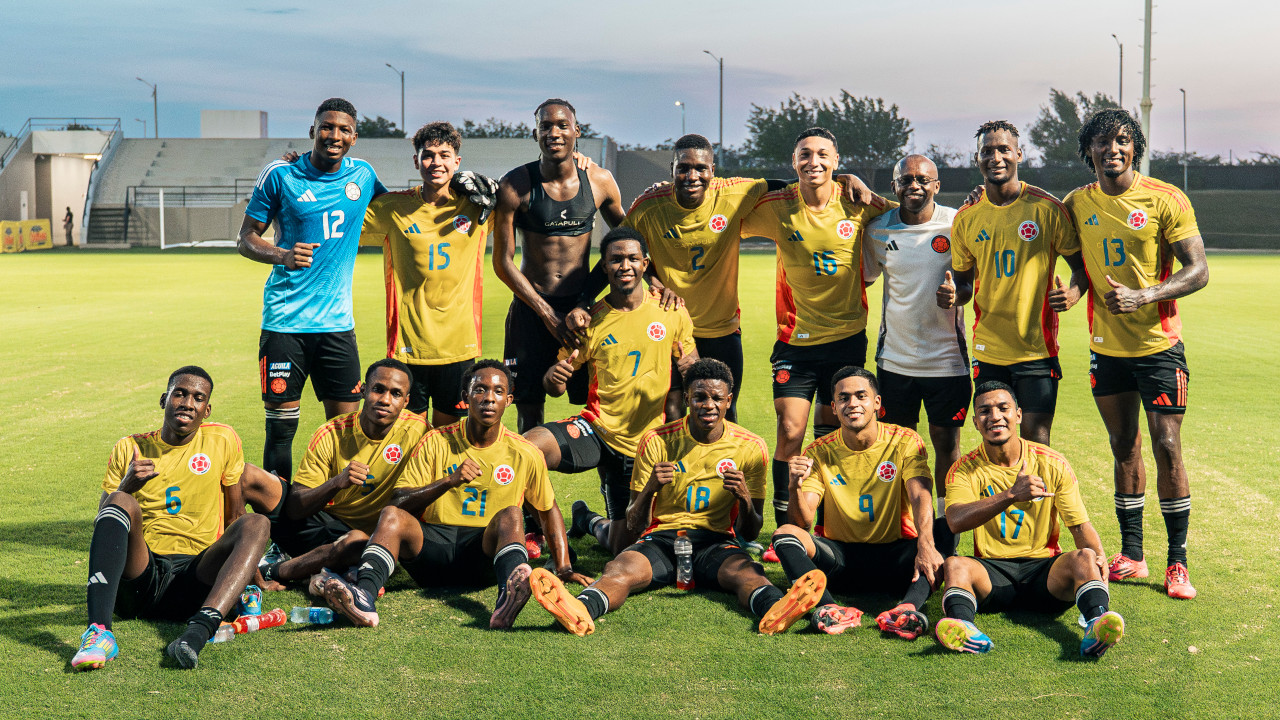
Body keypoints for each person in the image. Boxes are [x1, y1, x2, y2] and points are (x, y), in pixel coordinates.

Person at [527, 358, 828, 636]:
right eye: (699, 397)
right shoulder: (657, 439)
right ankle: (579, 608)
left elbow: (749, 532)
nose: (708, 405)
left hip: (715, 541)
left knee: (748, 574)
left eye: (717, 399)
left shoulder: (750, 447)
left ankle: (776, 608)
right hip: (661, 538)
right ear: (686, 399)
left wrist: (745, 499)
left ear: (729, 401)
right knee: (619, 569)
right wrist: (649, 490)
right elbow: (634, 524)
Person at [620, 134, 877, 423]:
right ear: (672, 169)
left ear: (712, 170)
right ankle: (672, 467)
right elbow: (621, 247)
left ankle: (724, 467)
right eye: (683, 168)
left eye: (700, 168)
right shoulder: (650, 204)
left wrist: (843, 178)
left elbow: (792, 184)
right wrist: (652, 278)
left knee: (724, 412)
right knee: (670, 410)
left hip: (722, 331)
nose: (692, 176)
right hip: (667, 326)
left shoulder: (734, 193)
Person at [320, 360, 589, 629]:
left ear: (508, 400)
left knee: (512, 514)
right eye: (480, 390)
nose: (488, 399)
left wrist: (564, 567)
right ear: (465, 397)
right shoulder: (436, 440)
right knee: (392, 515)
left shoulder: (525, 452)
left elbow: (547, 509)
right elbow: (398, 501)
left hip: (483, 556)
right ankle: (364, 596)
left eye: (497, 392)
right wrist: (449, 481)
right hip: (431, 551)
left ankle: (507, 599)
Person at [1065, 108, 1209, 599]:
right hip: (1107, 350)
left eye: (1122, 141)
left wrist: (1145, 296)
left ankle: (1177, 563)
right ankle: (1133, 553)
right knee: (1123, 445)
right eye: (1102, 143)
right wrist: (1076, 288)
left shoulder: (1165, 198)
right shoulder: (1076, 203)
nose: (1113, 150)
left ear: (1136, 147)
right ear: (1088, 152)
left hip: (1159, 347)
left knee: (1167, 445)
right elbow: (1073, 255)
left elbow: (1199, 270)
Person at [740, 127, 892, 532]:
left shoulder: (857, 202)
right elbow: (727, 215)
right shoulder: (778, 206)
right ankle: (782, 526)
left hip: (845, 341)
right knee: (790, 431)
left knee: (831, 435)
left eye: (823, 154)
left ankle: (824, 522)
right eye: (805, 154)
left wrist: (856, 182)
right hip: (796, 341)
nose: (814, 162)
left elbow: (906, 211)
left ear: (836, 161)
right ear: (794, 162)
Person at [71, 367, 269, 671]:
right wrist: (127, 487)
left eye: (198, 397)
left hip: (197, 577)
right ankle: (99, 632)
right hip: (142, 577)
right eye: (180, 393)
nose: (188, 402)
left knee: (258, 523)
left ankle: (198, 631)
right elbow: (105, 522)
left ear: (207, 410)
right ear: (164, 399)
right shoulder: (130, 447)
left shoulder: (223, 440)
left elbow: (235, 517)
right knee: (120, 499)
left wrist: (248, 576)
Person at [237, 97, 388, 479]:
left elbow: (401, 210)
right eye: (326, 126)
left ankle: (337, 519)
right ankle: (278, 529)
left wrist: (458, 196)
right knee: (281, 430)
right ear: (312, 131)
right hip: (285, 324)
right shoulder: (280, 175)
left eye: (343, 130)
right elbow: (246, 239)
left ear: (354, 138)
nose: (333, 135)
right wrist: (282, 255)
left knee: (346, 434)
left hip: (337, 326)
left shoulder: (364, 175)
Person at [525, 227, 697, 555]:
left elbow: (694, 365)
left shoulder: (671, 310)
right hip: (597, 429)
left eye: (633, 258)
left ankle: (588, 520)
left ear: (646, 264)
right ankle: (543, 533)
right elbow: (554, 385)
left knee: (623, 548)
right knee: (528, 449)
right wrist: (555, 377)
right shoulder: (591, 320)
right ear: (604, 268)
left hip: (645, 444)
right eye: (616, 260)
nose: (625, 266)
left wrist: (691, 370)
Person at [935, 381, 1125, 658]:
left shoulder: (1051, 462)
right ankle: (964, 627)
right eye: (985, 411)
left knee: (1084, 556)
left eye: (1003, 408)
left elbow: (1079, 524)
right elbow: (955, 520)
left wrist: (1097, 565)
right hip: (992, 575)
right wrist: (1011, 494)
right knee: (955, 565)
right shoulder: (963, 469)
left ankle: (1097, 622)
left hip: (1045, 574)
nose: (995, 417)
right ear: (975, 422)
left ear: (1019, 415)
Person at [937, 120, 1086, 446]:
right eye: (987, 151)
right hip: (989, 351)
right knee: (996, 441)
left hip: (1037, 350)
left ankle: (1036, 499)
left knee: (1036, 440)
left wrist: (1073, 294)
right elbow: (964, 286)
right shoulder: (966, 217)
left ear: (1019, 153)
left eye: (1004, 149)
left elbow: (1081, 269)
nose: (996, 157)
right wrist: (953, 295)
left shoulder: (1047, 208)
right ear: (977, 159)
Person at [771, 367, 942, 638]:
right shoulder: (819, 450)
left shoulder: (905, 440)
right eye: (844, 398)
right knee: (785, 534)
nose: (852, 404)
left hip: (897, 560)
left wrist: (925, 543)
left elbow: (920, 494)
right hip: (840, 562)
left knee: (942, 531)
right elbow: (802, 523)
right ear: (834, 407)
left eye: (861, 396)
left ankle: (907, 609)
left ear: (876, 403)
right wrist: (794, 486)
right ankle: (829, 609)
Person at [492, 99, 627, 433]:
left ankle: (609, 485)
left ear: (576, 131)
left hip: (582, 313)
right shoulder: (514, 186)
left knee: (595, 411)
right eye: (545, 126)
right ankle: (528, 485)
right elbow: (502, 262)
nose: (554, 132)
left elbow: (628, 244)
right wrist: (545, 313)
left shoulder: (600, 181)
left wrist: (585, 301)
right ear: (535, 133)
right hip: (531, 311)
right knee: (528, 409)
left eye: (562, 125)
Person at [864, 155, 970, 556]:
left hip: (948, 362)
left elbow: (967, 284)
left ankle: (946, 532)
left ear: (937, 186)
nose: (915, 185)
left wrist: (955, 295)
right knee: (898, 448)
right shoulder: (878, 231)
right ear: (895, 186)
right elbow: (867, 276)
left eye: (923, 179)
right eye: (906, 179)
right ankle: (901, 529)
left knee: (947, 445)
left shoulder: (957, 223)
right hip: (895, 362)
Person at [242, 359, 429, 588]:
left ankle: (277, 570)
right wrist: (337, 482)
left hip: (366, 539)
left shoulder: (420, 432)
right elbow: (295, 508)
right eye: (378, 389)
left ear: (406, 401)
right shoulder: (331, 432)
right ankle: (220, 556)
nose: (385, 400)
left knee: (357, 542)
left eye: (396, 394)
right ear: (363, 390)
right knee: (248, 476)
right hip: (319, 525)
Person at [360, 121, 491, 427]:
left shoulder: (478, 206)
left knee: (449, 437)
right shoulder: (392, 207)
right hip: (408, 345)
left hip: (458, 345)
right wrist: (306, 171)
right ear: (416, 160)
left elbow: (525, 194)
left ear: (457, 162)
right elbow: (341, 219)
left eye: (444, 155)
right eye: (428, 155)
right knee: (408, 438)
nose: (436, 162)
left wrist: (580, 163)